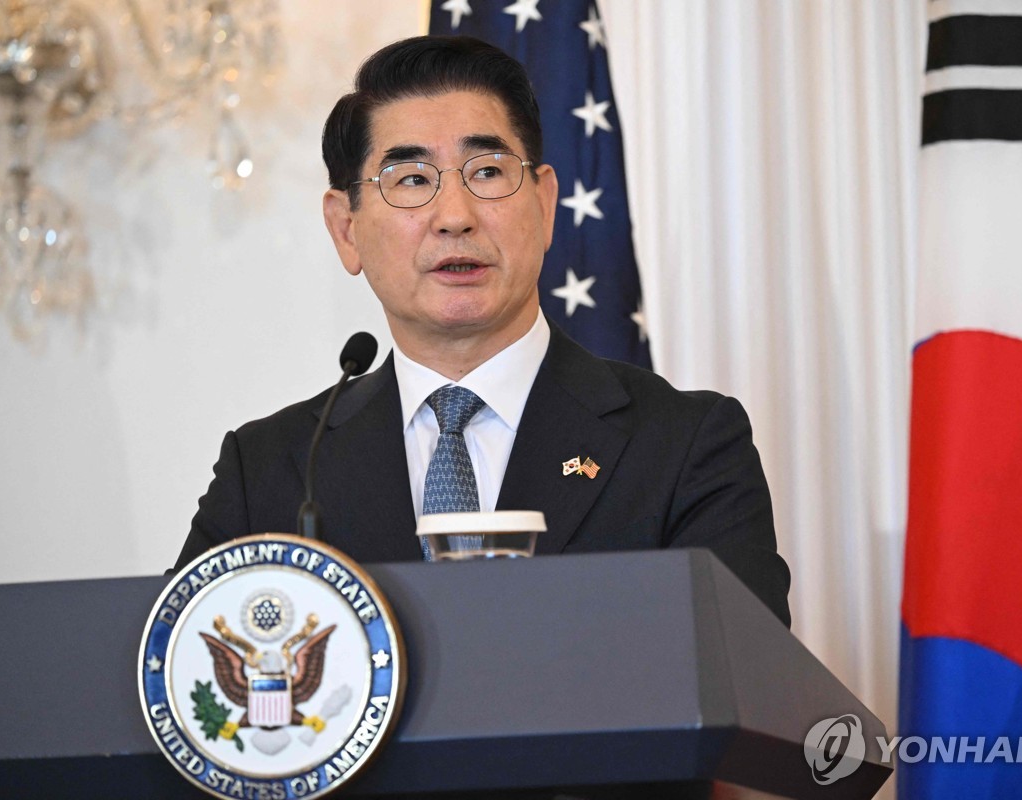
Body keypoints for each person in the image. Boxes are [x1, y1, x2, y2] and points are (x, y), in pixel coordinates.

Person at [175, 35, 790, 627]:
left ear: (546, 206)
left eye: (488, 172)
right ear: (346, 229)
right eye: (412, 179)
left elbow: (741, 686)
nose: (455, 217)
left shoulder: (686, 447)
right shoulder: (270, 473)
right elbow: (181, 685)